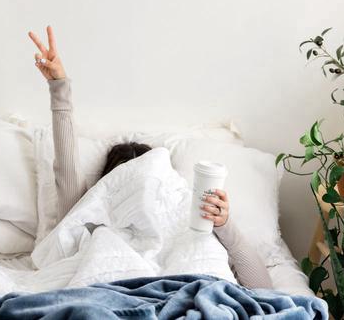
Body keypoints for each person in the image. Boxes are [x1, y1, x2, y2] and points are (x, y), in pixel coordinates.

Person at [28, 26, 272, 289]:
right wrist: (59, 88)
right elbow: (67, 168)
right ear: (109, 184)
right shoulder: (89, 214)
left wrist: (225, 225)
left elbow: (263, 288)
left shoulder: (191, 215)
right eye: (126, 174)